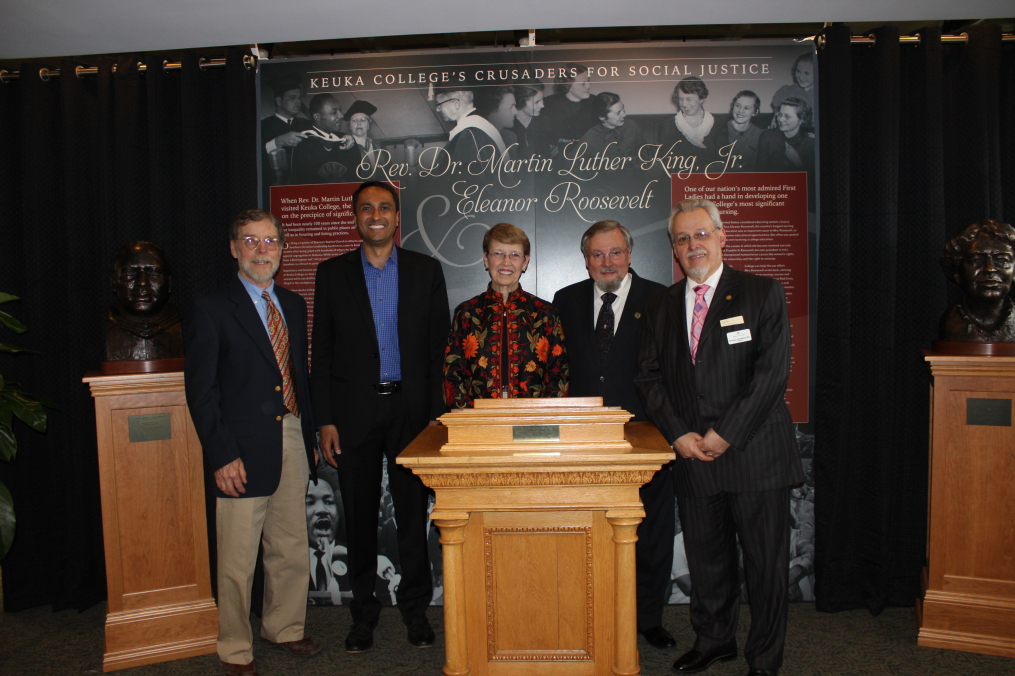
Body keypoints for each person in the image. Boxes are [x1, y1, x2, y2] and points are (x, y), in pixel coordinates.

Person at [635, 199, 804, 676]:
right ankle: (714, 641)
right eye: (683, 239)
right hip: (693, 456)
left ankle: (765, 659)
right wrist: (679, 435)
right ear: (673, 248)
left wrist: (726, 433)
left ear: (722, 236)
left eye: (701, 234)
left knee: (765, 567)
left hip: (754, 454)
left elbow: (772, 374)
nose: (694, 246)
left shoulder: (762, 292)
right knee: (708, 563)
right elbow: (649, 378)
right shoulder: (660, 306)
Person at [311, 180, 450, 653]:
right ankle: (363, 615)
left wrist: (436, 418)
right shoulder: (331, 274)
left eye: (385, 208)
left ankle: (415, 611)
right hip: (353, 413)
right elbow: (322, 354)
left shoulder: (425, 271)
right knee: (361, 515)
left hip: (411, 412)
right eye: (367, 208)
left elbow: (438, 352)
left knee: (411, 516)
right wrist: (325, 419)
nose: (376, 215)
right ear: (356, 218)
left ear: (397, 218)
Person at [184, 209, 321, 676]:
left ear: (283, 249)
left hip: (291, 436)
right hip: (240, 447)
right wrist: (222, 453)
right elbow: (200, 391)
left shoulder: (295, 303)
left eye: (270, 241)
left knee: (289, 543)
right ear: (233, 248)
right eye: (251, 241)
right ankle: (235, 647)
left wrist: (312, 430)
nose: (262, 250)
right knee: (239, 556)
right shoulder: (212, 308)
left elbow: (298, 377)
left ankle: (284, 627)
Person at [551, 220, 673, 648]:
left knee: (651, 529)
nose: (607, 262)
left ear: (630, 254)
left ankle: (648, 618)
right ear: (586, 260)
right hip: (583, 438)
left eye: (615, 252)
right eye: (598, 254)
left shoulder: (660, 298)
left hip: (645, 434)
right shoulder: (564, 301)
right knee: (589, 528)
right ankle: (592, 611)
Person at [445, 222, 568, 407]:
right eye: (498, 254)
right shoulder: (466, 313)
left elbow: (559, 375)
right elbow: (453, 374)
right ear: (486, 259)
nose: (506, 262)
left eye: (514, 255)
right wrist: (471, 420)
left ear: (525, 262)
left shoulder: (545, 314)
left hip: (533, 423)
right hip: (478, 426)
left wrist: (543, 419)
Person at [938, 219, 1015, 342]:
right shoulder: (952, 324)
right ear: (958, 273)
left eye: (1002, 260)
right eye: (976, 260)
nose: (989, 269)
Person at [105, 240, 183, 361]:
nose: (142, 282)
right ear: (114, 283)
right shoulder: (103, 326)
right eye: (130, 273)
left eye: (153, 273)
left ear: (169, 284)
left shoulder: (187, 325)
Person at [261, 72, 313, 202]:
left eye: (299, 98)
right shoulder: (262, 126)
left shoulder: (307, 124)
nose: (298, 102)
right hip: (276, 192)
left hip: (305, 192)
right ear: (279, 101)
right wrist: (277, 142)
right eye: (292, 98)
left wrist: (347, 137)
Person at [530, 63, 598, 157]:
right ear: (568, 85)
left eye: (588, 81)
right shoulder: (548, 104)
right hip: (559, 159)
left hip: (589, 157)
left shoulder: (596, 102)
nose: (588, 86)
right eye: (583, 83)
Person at [290, 94, 359, 185]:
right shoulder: (303, 145)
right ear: (317, 117)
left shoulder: (347, 141)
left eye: (340, 110)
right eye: (334, 112)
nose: (341, 115)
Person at [757, 97, 815, 204]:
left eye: (787, 116)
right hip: (771, 195)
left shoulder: (810, 143)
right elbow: (760, 174)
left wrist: (798, 163)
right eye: (780, 114)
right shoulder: (768, 136)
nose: (781, 119)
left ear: (801, 120)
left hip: (799, 198)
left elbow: (812, 186)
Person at [659, 77, 720, 174]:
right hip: (681, 179)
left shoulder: (718, 124)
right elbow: (668, 162)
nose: (684, 104)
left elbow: (722, 160)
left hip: (712, 180)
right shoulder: (669, 125)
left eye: (689, 99)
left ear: (702, 98)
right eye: (680, 99)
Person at [435, 86, 506, 166]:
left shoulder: (470, 134)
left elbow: (466, 175)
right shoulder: (479, 124)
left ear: (456, 104)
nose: (438, 109)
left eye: (440, 104)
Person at [306, 477, 347, 606]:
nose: (322, 510)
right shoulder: (285, 561)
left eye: (329, 502)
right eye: (309, 502)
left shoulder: (355, 557)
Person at [579, 92, 648, 159]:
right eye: (618, 113)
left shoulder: (631, 126)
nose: (624, 115)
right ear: (602, 117)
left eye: (623, 109)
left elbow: (645, 152)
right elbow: (571, 162)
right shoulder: (591, 136)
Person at [713, 91, 764, 172]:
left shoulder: (761, 135)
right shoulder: (719, 129)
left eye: (747, 108)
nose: (740, 111)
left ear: (755, 112)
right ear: (733, 107)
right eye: (737, 106)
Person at [769, 53, 814, 122]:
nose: (801, 77)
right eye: (798, 71)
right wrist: (776, 116)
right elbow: (777, 109)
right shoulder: (787, 91)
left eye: (806, 73)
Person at [477, 86, 519, 155]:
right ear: (493, 108)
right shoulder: (477, 138)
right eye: (510, 107)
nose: (516, 112)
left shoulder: (510, 137)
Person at [510, 81, 544, 157]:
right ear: (521, 101)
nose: (542, 105)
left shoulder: (544, 122)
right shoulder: (508, 126)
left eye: (542, 100)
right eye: (537, 102)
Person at [344, 100, 379, 173]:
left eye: (363, 120)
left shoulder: (379, 146)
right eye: (354, 120)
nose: (359, 123)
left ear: (369, 124)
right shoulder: (344, 148)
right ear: (350, 126)